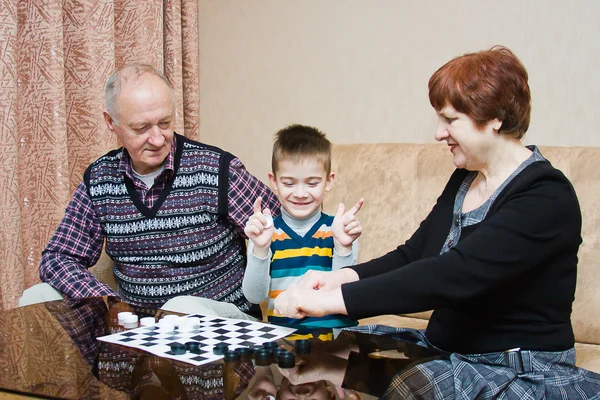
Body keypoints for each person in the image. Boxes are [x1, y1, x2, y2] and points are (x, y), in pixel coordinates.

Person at [274, 47, 600, 397]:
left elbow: (453, 274)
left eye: (450, 119)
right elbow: (413, 255)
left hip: (515, 366)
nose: (438, 133)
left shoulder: (546, 196)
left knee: (412, 385)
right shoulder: (465, 179)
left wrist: (332, 300)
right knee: (333, 348)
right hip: (447, 349)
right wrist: (335, 277)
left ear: (495, 119)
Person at [21, 64, 279, 320]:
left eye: (164, 123)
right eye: (141, 128)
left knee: (181, 308)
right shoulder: (100, 179)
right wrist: (109, 302)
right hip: (138, 328)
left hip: (221, 324)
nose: (157, 139)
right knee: (37, 296)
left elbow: (286, 231)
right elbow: (58, 258)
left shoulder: (216, 170)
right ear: (111, 122)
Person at [242, 124, 363, 331]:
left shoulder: (339, 230)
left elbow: (345, 293)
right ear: (274, 182)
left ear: (328, 181)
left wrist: (343, 248)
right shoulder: (266, 234)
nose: (300, 193)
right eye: (289, 183)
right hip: (285, 344)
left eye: (312, 183)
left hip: (335, 342)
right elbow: (255, 296)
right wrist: (260, 249)